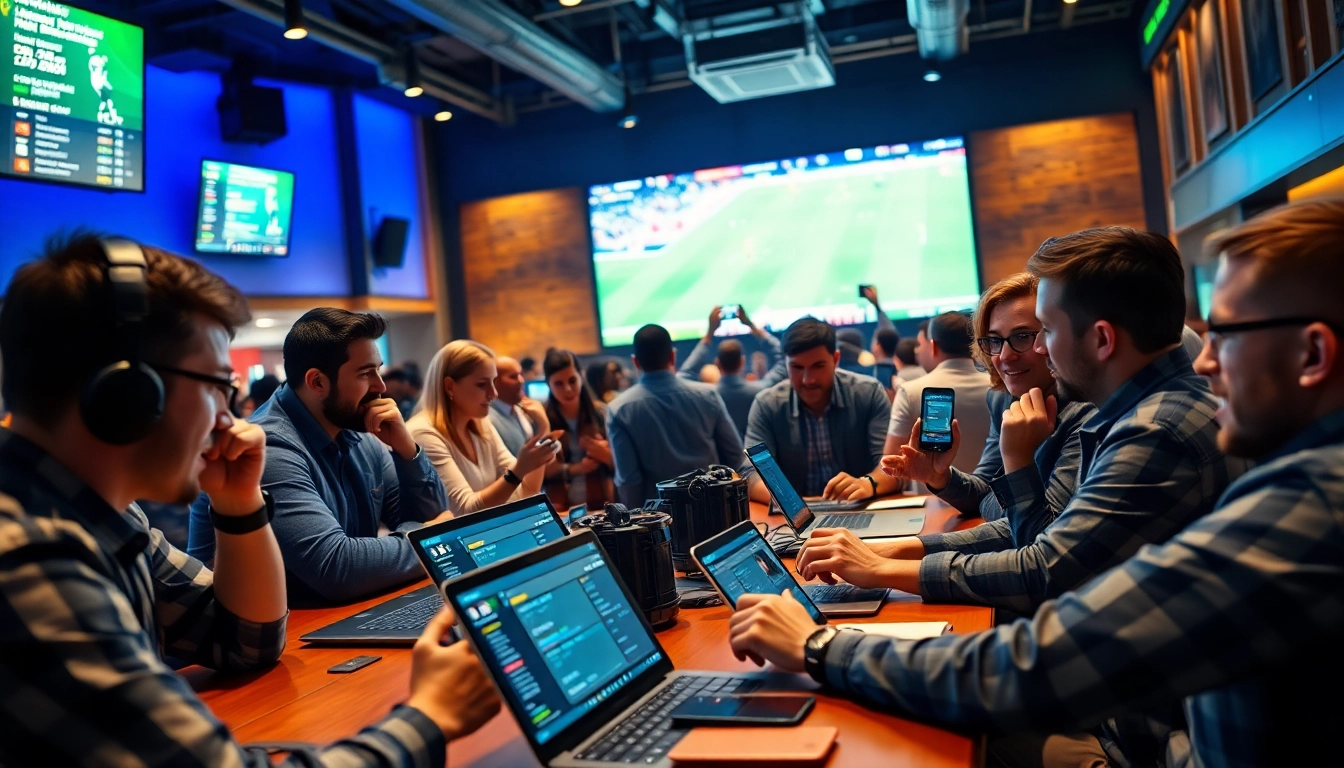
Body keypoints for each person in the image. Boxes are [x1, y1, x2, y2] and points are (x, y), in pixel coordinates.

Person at [727, 197, 1344, 768]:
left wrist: (818, 648)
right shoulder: (1159, 424)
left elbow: (1040, 633)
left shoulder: (1204, 451)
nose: (1207, 360)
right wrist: (889, 554)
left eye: (1227, 334)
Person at [0, 234, 498, 766]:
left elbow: (243, 642)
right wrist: (427, 719)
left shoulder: (111, 518)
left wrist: (240, 505)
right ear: (131, 394)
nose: (230, 416)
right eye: (218, 385)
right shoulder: (29, 560)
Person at [797, 227, 1245, 622]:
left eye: (1041, 332)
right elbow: (1010, 520)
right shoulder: (1115, 413)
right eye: (994, 341)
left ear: (1103, 339)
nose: (1029, 354)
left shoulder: (1149, 429)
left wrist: (878, 572)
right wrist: (886, 549)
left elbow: (1043, 570)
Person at [187, 308, 451, 606]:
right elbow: (337, 568)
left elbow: (433, 516)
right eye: (366, 373)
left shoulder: (360, 432)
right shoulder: (267, 446)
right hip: (258, 639)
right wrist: (432, 540)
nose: (381, 387)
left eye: (378, 369)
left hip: (332, 618)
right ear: (317, 383)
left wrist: (406, 450)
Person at [884, 274, 1094, 536]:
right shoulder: (1002, 398)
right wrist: (940, 476)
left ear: (1052, 337)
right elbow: (984, 490)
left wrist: (1016, 460)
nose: (1005, 356)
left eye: (1023, 337)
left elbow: (1040, 538)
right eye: (994, 340)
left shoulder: (1087, 410)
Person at [743, 317, 890, 503]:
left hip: (860, 506)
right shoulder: (767, 404)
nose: (807, 380)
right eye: (796, 367)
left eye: (818, 366)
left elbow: (889, 465)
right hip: (795, 519)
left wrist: (867, 484)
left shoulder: (868, 393)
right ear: (785, 364)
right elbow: (751, 473)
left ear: (836, 359)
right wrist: (792, 504)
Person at [408, 341, 558, 515]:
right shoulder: (424, 434)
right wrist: (520, 470)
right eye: (481, 384)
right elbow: (464, 511)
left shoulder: (480, 425)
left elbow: (526, 493)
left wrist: (540, 443)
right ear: (450, 386)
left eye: (494, 382)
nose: (493, 393)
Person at [608, 325, 744, 508]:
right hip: (715, 513)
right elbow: (735, 456)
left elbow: (629, 481)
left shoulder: (618, 409)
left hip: (661, 524)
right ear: (672, 356)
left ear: (635, 362)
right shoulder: (709, 396)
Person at [882, 312, 992, 477]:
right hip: (995, 499)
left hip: (932, 499)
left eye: (920, 345)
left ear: (933, 346)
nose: (918, 353)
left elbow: (890, 465)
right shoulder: (999, 387)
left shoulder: (910, 391)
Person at [678, 306, 784, 437]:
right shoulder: (761, 391)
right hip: (757, 455)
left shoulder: (706, 396)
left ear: (718, 363)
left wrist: (709, 333)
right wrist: (750, 325)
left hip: (722, 457)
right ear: (742, 362)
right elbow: (784, 358)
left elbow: (683, 376)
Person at [543, 349, 616, 511]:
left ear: (581, 377)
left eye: (572, 380)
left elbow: (624, 466)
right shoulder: (543, 420)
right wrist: (575, 468)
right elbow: (537, 471)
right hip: (560, 511)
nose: (568, 389)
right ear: (548, 384)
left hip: (602, 508)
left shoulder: (601, 414)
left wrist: (606, 455)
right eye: (559, 384)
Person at [488, 354, 547, 457]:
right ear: (495, 382)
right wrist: (544, 426)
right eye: (513, 376)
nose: (521, 380)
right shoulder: (490, 421)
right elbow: (529, 461)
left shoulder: (517, 409)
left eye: (521, 374)